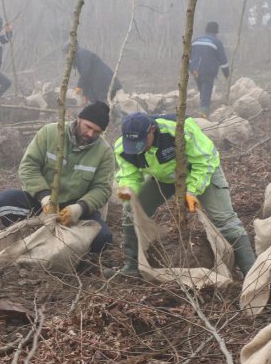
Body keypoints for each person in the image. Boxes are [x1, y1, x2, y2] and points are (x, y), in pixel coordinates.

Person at [106, 112, 256, 278]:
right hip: (163, 178)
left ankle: (251, 273)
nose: (137, 149)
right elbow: (130, 175)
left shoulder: (179, 128)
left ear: (152, 130)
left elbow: (205, 160)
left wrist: (192, 190)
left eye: (141, 142)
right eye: (132, 144)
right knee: (131, 210)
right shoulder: (123, 148)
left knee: (225, 220)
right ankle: (132, 266)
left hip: (198, 171)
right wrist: (128, 189)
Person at [0, 101, 115, 253]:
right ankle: (28, 236)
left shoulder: (104, 152)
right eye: (88, 127)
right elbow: (28, 166)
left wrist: (80, 208)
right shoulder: (50, 133)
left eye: (97, 131)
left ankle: (68, 249)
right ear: (78, 119)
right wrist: (44, 197)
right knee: (6, 201)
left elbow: (102, 188)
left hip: (75, 211)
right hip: (41, 203)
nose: (90, 134)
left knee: (103, 239)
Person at [189, 21, 229, 117]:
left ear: (206, 30)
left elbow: (189, 57)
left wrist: (191, 69)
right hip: (207, 71)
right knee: (206, 94)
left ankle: (203, 108)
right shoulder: (216, 42)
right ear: (216, 32)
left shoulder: (195, 40)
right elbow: (223, 61)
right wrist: (227, 75)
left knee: (202, 91)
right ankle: (203, 117)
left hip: (195, 71)